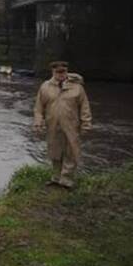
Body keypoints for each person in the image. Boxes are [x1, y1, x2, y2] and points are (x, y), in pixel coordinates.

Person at [33, 60, 93, 189]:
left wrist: (86, 124)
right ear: (53, 72)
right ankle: (56, 177)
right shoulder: (45, 87)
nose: (61, 74)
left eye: (63, 71)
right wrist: (38, 122)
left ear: (67, 71)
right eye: (57, 72)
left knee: (71, 152)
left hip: (72, 125)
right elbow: (39, 107)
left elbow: (85, 107)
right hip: (52, 124)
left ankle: (66, 180)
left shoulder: (77, 87)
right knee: (54, 151)